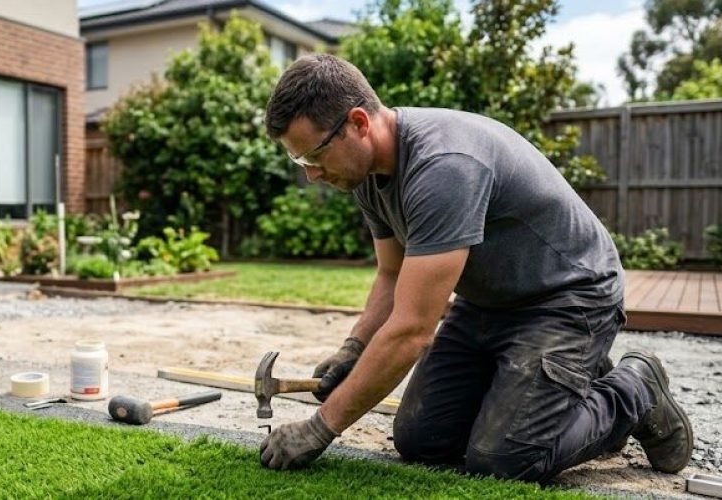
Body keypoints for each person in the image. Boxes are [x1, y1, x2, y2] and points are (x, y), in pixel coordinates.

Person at [256, 54, 693, 483]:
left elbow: (412, 330)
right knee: (421, 439)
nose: (311, 174)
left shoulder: (444, 166)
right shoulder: (367, 177)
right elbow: (391, 274)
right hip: (489, 301)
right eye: (300, 162)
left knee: (505, 458)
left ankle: (635, 388)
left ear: (358, 123)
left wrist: (321, 427)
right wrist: (354, 348)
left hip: (568, 297)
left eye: (312, 155)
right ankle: (568, 384)